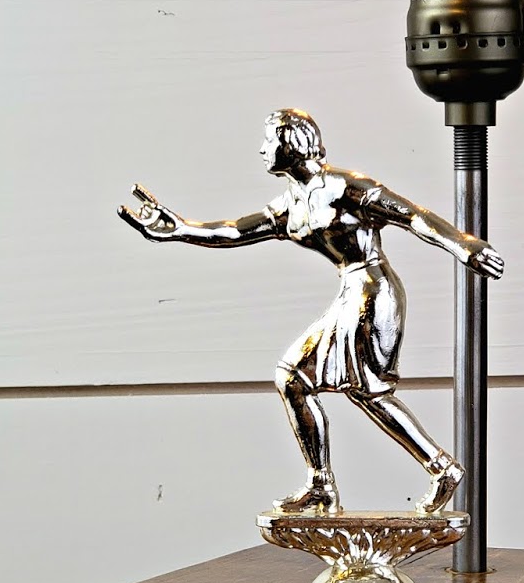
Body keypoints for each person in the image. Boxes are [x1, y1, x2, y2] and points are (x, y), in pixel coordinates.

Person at [118, 107, 503, 515]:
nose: (263, 148)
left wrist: (463, 245)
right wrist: (181, 229)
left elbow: (414, 216)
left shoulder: (345, 187)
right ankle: (324, 483)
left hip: (375, 291)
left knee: (367, 391)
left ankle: (439, 467)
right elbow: (234, 231)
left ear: (293, 141)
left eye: (270, 139)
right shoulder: (291, 205)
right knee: (297, 378)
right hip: (350, 292)